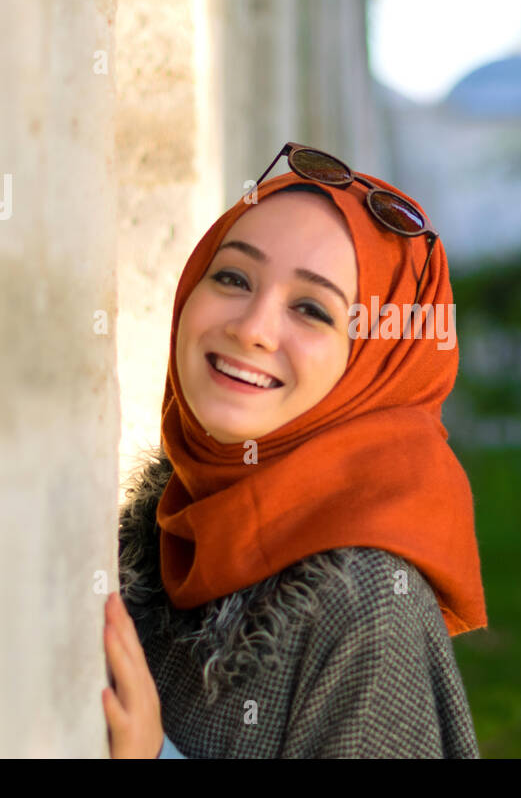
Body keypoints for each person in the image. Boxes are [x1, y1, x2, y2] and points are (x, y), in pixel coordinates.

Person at [103, 143, 487, 758]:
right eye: (232, 277)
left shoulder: (364, 606)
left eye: (312, 309)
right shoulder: (160, 532)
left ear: (376, 368)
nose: (251, 328)